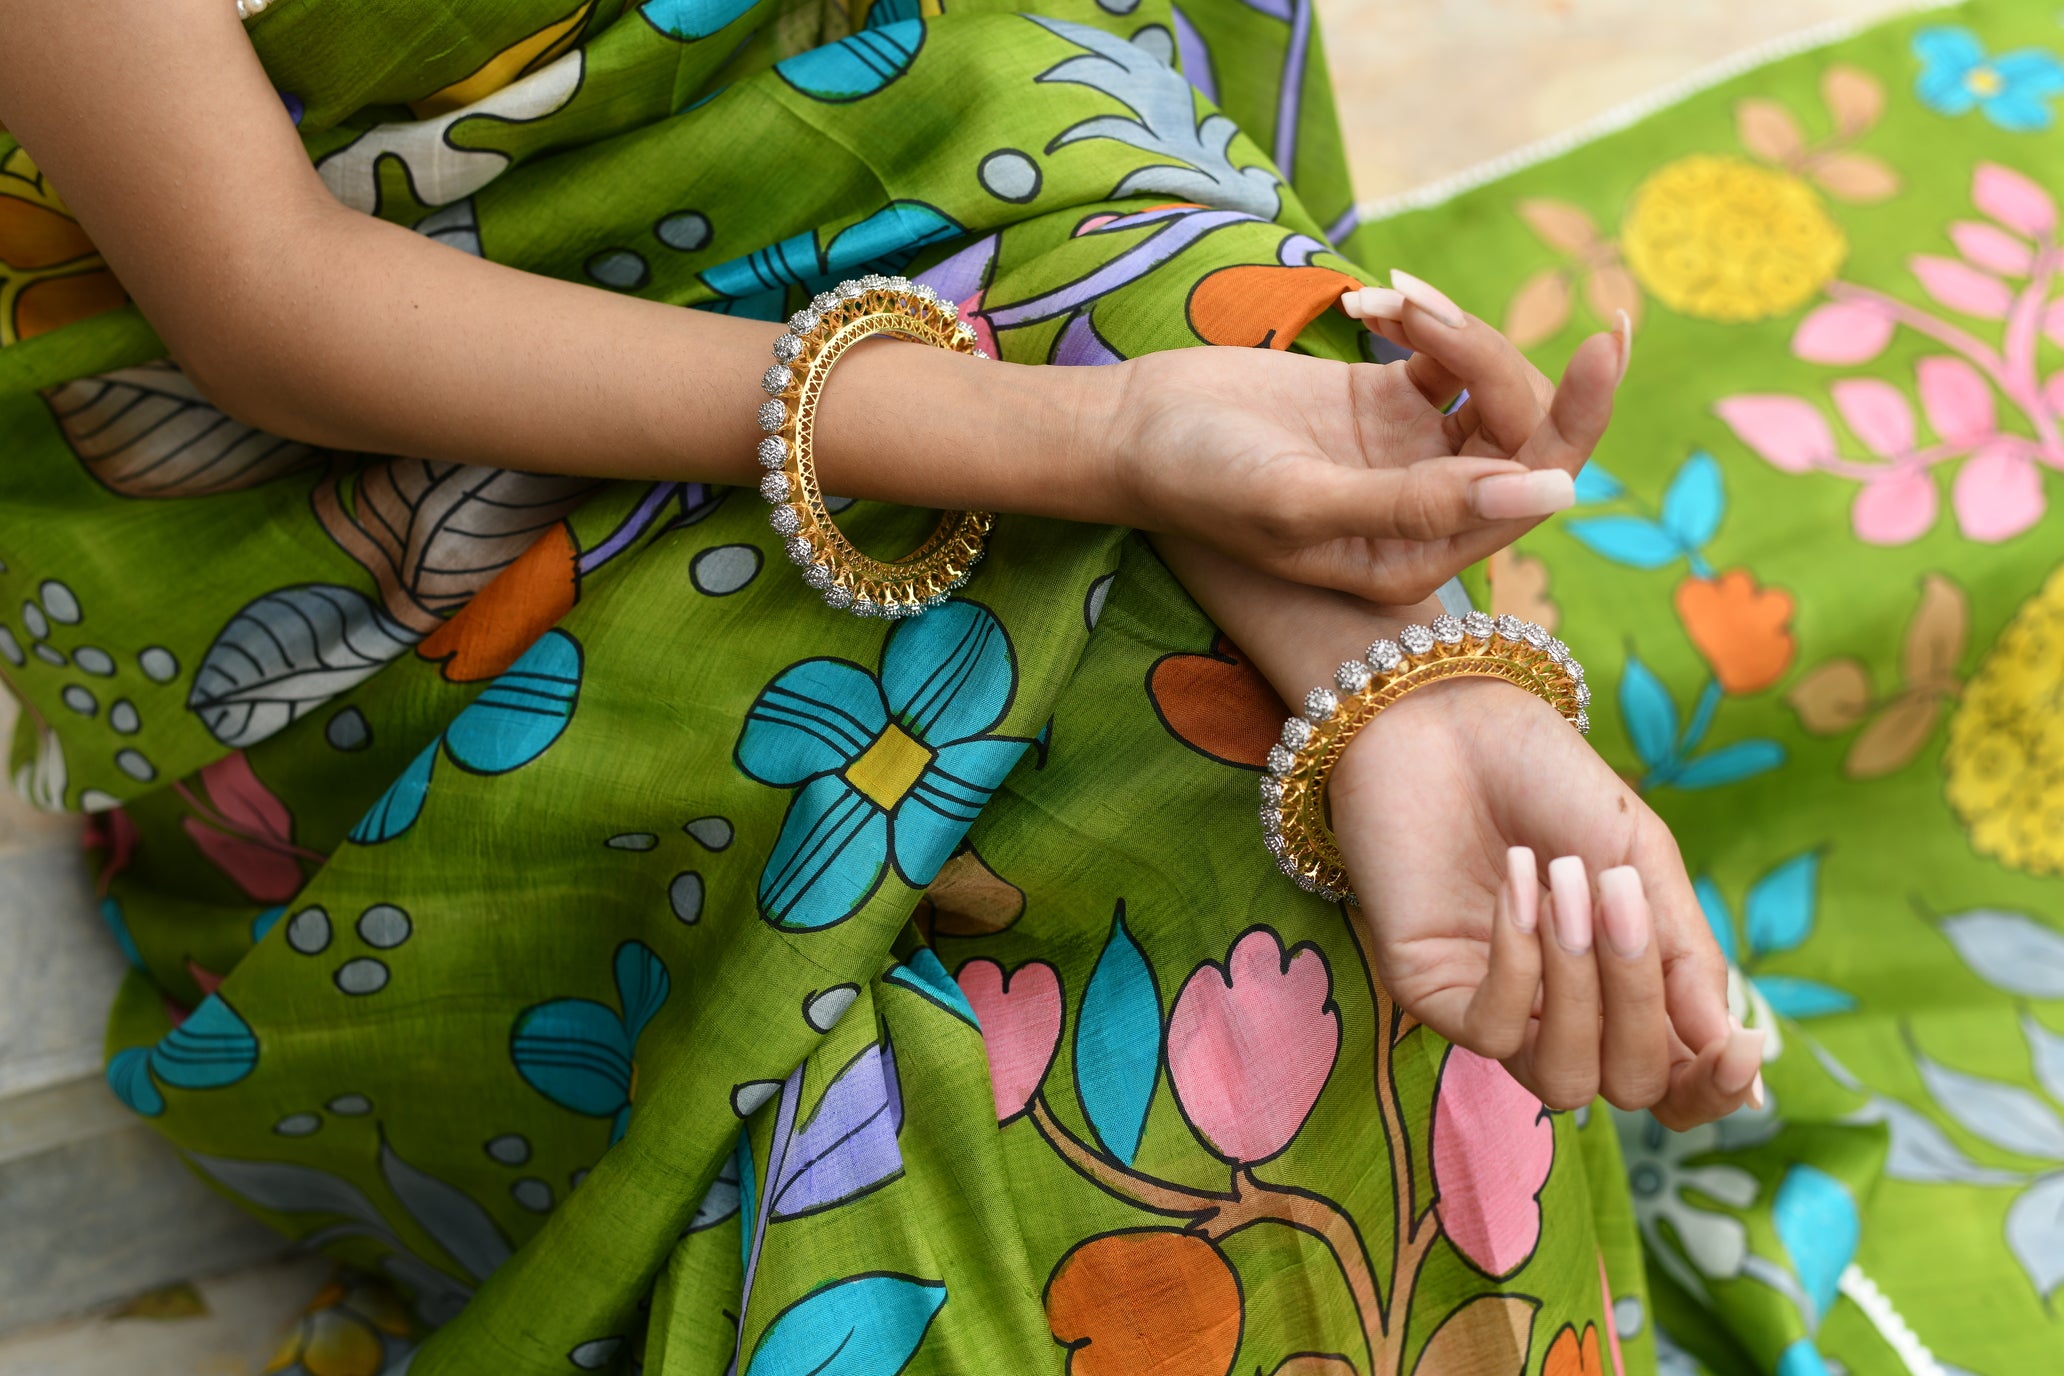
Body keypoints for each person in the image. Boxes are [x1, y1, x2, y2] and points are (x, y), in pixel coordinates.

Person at [0, 0, 1758, 1372]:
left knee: (1283, 851)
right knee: (1068, 999)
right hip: (361, 553)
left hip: (951, 286)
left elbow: (990, 88)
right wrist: (1102, 434)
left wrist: (1390, 669)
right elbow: (266, 297)